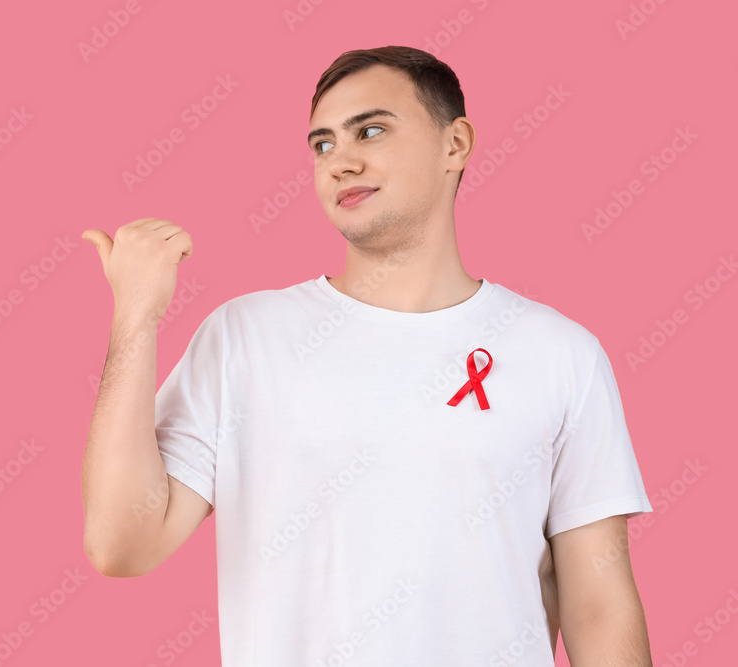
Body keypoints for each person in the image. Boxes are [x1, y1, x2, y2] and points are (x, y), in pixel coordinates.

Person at [81, 45, 654, 666]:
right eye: (322, 144)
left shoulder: (559, 353)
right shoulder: (246, 337)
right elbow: (121, 543)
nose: (340, 162)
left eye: (371, 131)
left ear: (455, 143)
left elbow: (599, 603)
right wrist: (135, 317)